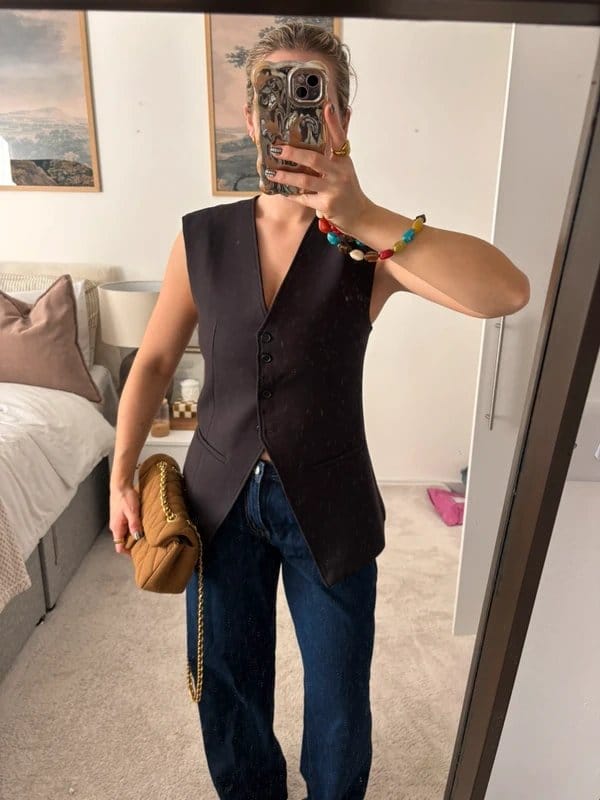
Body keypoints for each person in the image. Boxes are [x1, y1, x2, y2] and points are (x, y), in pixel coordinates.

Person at [109, 21, 530, 800]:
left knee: (338, 707)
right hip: (216, 503)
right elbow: (156, 361)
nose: (290, 112)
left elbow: (506, 292)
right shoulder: (201, 239)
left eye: (312, 94)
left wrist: (363, 211)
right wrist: (121, 471)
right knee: (229, 693)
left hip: (331, 506)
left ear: (340, 118)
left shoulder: (371, 246)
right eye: (273, 95)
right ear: (249, 118)